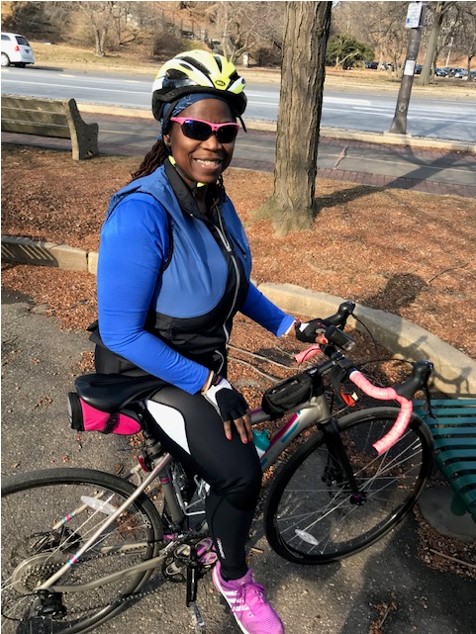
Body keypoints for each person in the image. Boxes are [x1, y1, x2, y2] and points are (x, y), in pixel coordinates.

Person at [95, 49, 321, 634]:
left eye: (224, 132)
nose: (212, 143)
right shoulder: (142, 212)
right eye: (197, 128)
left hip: (195, 368)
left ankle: (192, 522)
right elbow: (121, 330)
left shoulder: (214, 200)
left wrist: (290, 327)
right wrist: (211, 384)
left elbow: (234, 284)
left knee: (215, 456)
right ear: (169, 128)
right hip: (144, 370)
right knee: (243, 473)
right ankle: (235, 581)